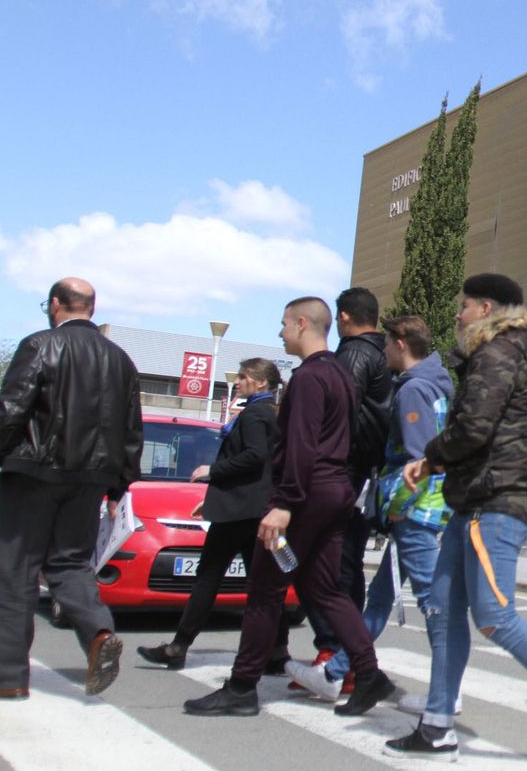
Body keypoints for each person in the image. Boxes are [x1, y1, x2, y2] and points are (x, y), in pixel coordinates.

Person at [386, 275, 527, 769]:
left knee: (494, 615)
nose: (457, 315)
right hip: (473, 499)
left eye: (463, 306)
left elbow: (473, 427)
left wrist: (429, 457)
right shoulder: (498, 354)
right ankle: (437, 724)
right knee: (444, 611)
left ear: (485, 307)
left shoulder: (495, 354)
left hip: (496, 498)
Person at [185, 297, 397, 718]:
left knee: (266, 588)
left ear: (303, 324)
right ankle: (368, 673)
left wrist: (283, 504)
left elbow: (301, 445)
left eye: (284, 324)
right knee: (326, 588)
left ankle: (243, 685)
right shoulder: (338, 373)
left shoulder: (310, 378)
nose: (280, 332)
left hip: (307, 494)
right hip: (336, 488)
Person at [291, 315, 453, 704]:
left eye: (385, 346)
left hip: (414, 511)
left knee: (433, 605)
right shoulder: (432, 385)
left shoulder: (414, 390)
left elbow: (419, 458)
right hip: (420, 510)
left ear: (400, 343)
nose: (381, 353)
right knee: (380, 600)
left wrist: (398, 505)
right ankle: (336, 671)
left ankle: (445, 695)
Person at [0, 278, 141, 700]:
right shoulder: (121, 360)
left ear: (55, 305)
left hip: (33, 471)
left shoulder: (40, 345)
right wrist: (119, 485)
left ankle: (6, 677)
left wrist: (1, 452)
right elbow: (132, 429)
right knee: (71, 564)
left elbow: (12, 407)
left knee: (15, 569)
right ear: (91, 308)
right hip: (91, 479)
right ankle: (97, 634)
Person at [139, 359, 285, 671]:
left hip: (239, 512)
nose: (239, 382)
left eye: (244, 377)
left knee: (209, 578)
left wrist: (212, 471)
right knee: (260, 583)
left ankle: (179, 646)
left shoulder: (256, 415)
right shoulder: (265, 412)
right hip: (246, 508)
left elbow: (255, 457)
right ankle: (276, 649)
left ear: (261, 383)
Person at [293, 287, 395, 689]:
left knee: (326, 567)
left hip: (343, 471)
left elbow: (336, 413)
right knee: (338, 565)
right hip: (357, 471)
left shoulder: (352, 354)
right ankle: (346, 656)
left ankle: (339, 654)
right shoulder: (377, 355)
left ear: (345, 318)